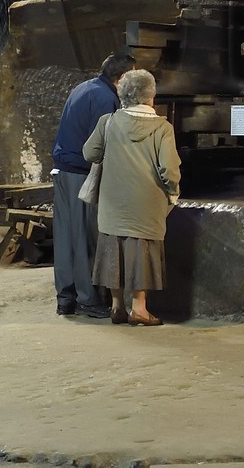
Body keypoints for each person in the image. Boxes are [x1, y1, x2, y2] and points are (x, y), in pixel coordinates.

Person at [82, 68, 181, 327]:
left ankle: (117, 306)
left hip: (113, 202)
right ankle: (140, 308)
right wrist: (173, 192)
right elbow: (169, 169)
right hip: (147, 204)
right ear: (151, 97)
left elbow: (89, 153)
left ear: (122, 94)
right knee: (142, 250)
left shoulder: (108, 122)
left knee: (114, 247)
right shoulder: (163, 127)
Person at [50, 51, 135, 318]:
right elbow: (101, 144)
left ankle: (66, 299)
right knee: (86, 239)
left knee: (65, 240)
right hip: (81, 174)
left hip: (62, 172)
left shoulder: (82, 88)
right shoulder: (105, 99)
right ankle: (88, 300)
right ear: (121, 78)